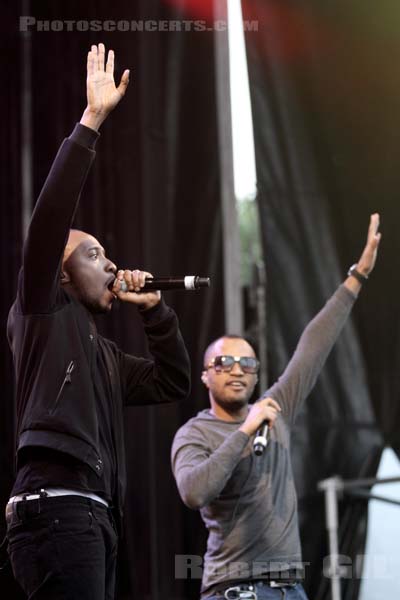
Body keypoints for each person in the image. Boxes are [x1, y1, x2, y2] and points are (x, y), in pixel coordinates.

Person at [5, 43, 190, 600]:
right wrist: (90, 123)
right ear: (59, 275)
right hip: (60, 510)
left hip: (93, 518)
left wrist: (157, 311)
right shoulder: (41, 310)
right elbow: (48, 225)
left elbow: (172, 381)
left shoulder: (104, 357)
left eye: (109, 255)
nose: (110, 263)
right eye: (92, 255)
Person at [171, 214, 381, 600]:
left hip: (291, 589)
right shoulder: (195, 433)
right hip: (234, 591)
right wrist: (246, 430)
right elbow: (194, 491)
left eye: (247, 363)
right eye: (224, 363)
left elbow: (312, 347)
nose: (237, 370)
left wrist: (357, 276)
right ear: (205, 376)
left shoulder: (275, 405)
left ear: (255, 376)